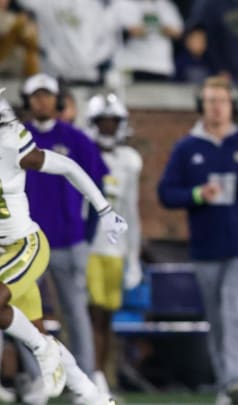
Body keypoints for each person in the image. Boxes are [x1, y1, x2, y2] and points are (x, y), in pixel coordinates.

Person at [157, 76, 238, 405]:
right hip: (206, 247)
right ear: (201, 105)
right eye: (210, 100)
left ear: (232, 105)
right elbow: (166, 193)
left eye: (221, 100)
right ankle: (228, 382)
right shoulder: (187, 147)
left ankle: (236, 384)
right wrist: (197, 194)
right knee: (218, 317)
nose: (215, 106)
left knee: (237, 313)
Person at [0, 89, 126, 404]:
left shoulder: (12, 142)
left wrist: (105, 212)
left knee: (67, 314)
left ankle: (48, 354)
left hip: (26, 245)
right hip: (5, 252)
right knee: (35, 329)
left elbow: (68, 167)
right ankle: (90, 393)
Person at [22, 73, 107, 378]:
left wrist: (88, 235)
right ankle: (36, 379)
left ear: (58, 100)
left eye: (47, 95)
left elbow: (98, 188)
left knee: (75, 314)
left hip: (68, 240)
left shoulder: (78, 140)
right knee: (24, 314)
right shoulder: (16, 139)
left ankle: (84, 378)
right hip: (26, 245)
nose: (42, 101)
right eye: (36, 96)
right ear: (28, 101)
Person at [84, 92, 143, 396]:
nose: (107, 127)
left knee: (106, 316)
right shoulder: (82, 155)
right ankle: (91, 375)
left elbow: (131, 210)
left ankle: (99, 375)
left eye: (112, 122)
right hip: (89, 246)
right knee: (91, 314)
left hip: (114, 248)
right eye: (102, 122)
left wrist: (133, 256)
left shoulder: (129, 161)